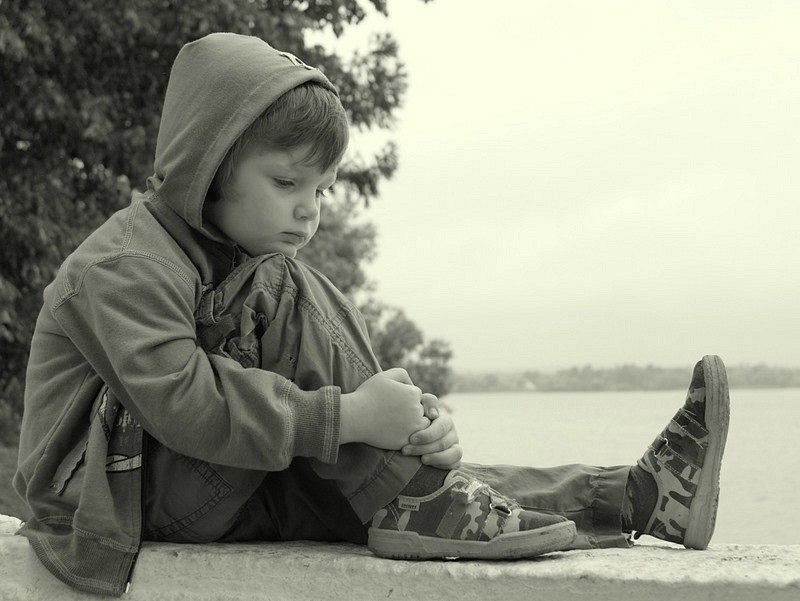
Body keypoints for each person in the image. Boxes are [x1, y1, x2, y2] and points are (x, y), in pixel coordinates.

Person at [13, 33, 730, 597]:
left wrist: (407, 421)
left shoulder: (231, 259)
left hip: (188, 481)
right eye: (286, 181)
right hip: (110, 498)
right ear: (207, 165)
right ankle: (417, 483)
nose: (309, 208)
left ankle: (639, 498)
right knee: (294, 300)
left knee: (401, 493)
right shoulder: (127, 265)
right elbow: (187, 404)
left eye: (321, 188)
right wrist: (352, 417)